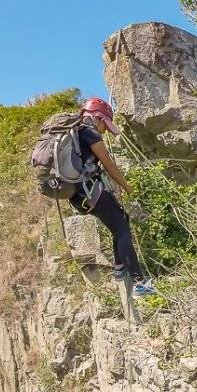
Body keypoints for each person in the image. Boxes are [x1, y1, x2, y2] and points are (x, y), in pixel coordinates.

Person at [69, 97, 155, 296]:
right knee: (122, 229)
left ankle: (119, 268)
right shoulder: (90, 133)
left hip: (77, 195)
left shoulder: (76, 132)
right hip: (91, 190)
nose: (105, 131)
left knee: (120, 220)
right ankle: (140, 282)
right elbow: (109, 165)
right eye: (105, 125)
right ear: (98, 118)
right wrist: (127, 187)